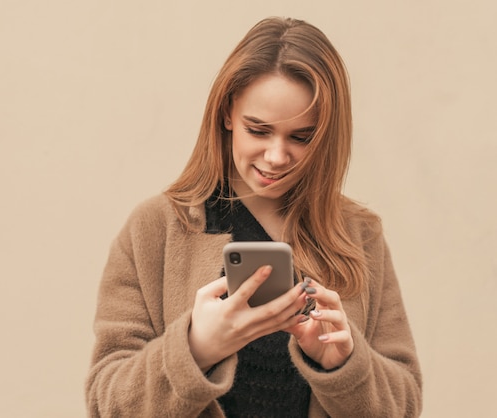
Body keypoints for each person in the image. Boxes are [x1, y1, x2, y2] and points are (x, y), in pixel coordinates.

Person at [85, 16, 422, 418]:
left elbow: (405, 405)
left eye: (301, 137)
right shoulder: (155, 229)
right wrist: (196, 348)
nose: (277, 157)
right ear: (228, 114)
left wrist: (343, 365)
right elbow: (107, 405)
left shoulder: (358, 233)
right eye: (258, 130)